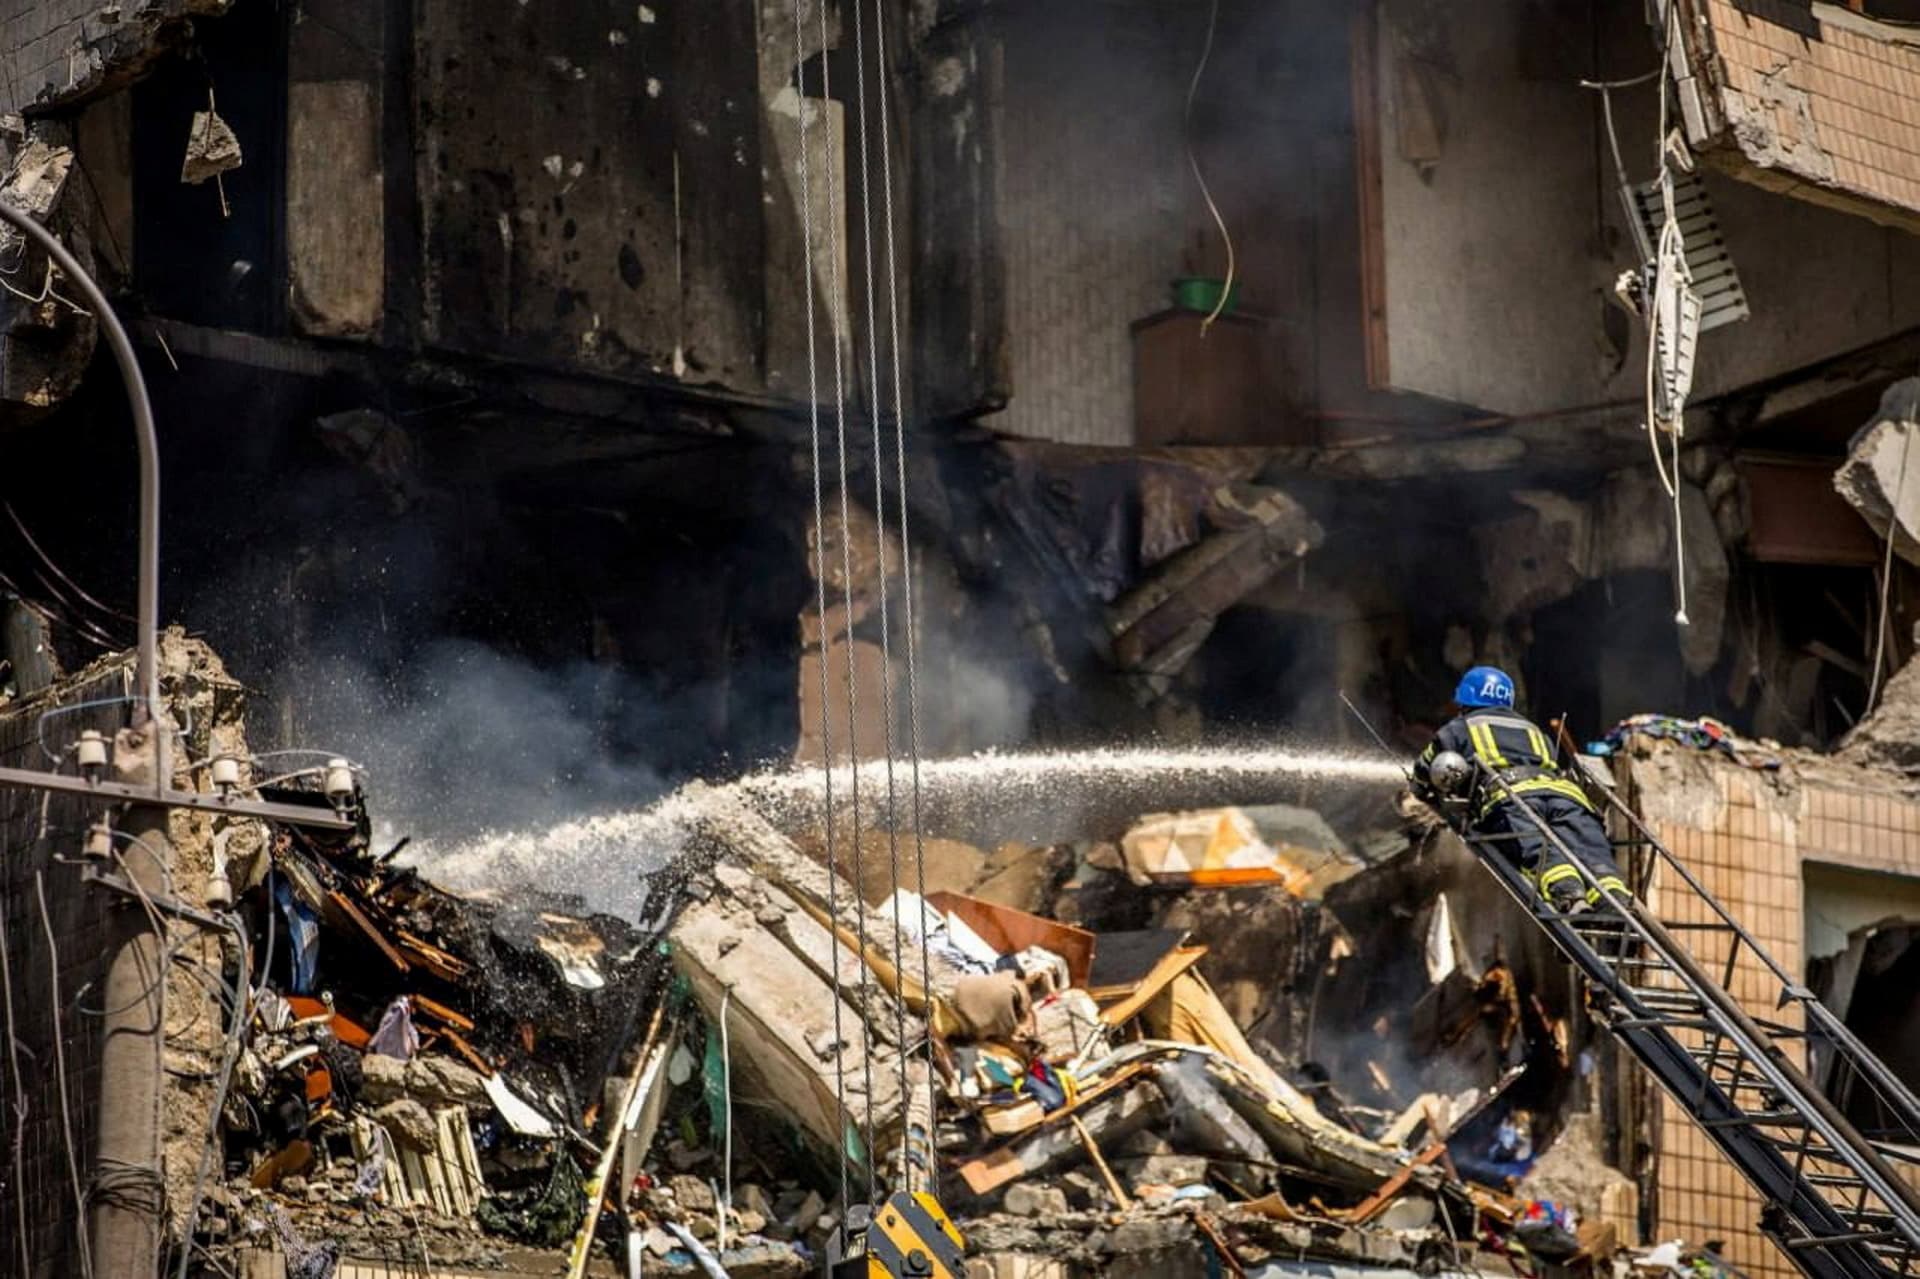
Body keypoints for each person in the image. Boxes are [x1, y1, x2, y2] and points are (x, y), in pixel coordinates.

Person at [1412, 665, 1629, 914]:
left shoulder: (1461, 727)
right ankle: (1614, 899)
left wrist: (1419, 787)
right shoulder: (1533, 730)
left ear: (1466, 698)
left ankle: (1570, 896)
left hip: (1513, 800)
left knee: (1538, 850)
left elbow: (1427, 765)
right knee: (1591, 851)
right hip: (1568, 797)